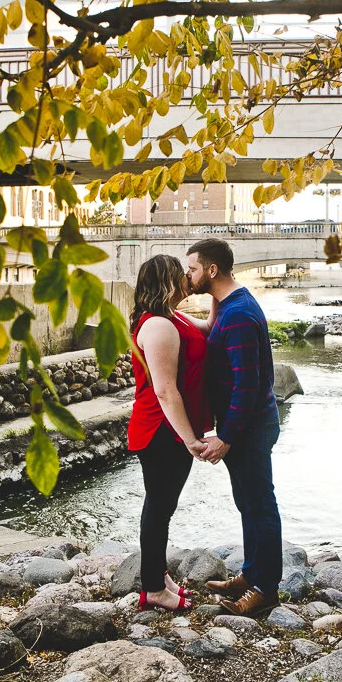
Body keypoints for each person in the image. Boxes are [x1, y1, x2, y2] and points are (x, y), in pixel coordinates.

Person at [185, 238, 283, 617]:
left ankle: (267, 589)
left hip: (249, 428)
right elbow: (210, 327)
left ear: (211, 270)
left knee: (260, 505)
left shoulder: (239, 314)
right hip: (244, 427)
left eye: (192, 268)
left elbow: (249, 385)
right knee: (248, 503)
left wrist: (226, 437)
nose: (187, 275)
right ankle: (251, 574)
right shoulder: (229, 304)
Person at [127, 254, 216, 612]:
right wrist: (191, 439)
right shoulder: (159, 326)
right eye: (182, 274)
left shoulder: (173, 317)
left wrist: (217, 288)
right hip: (162, 429)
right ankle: (152, 589)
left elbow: (207, 329)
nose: (186, 279)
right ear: (167, 281)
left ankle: (158, 575)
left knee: (163, 505)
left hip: (170, 429)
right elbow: (165, 390)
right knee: (159, 507)